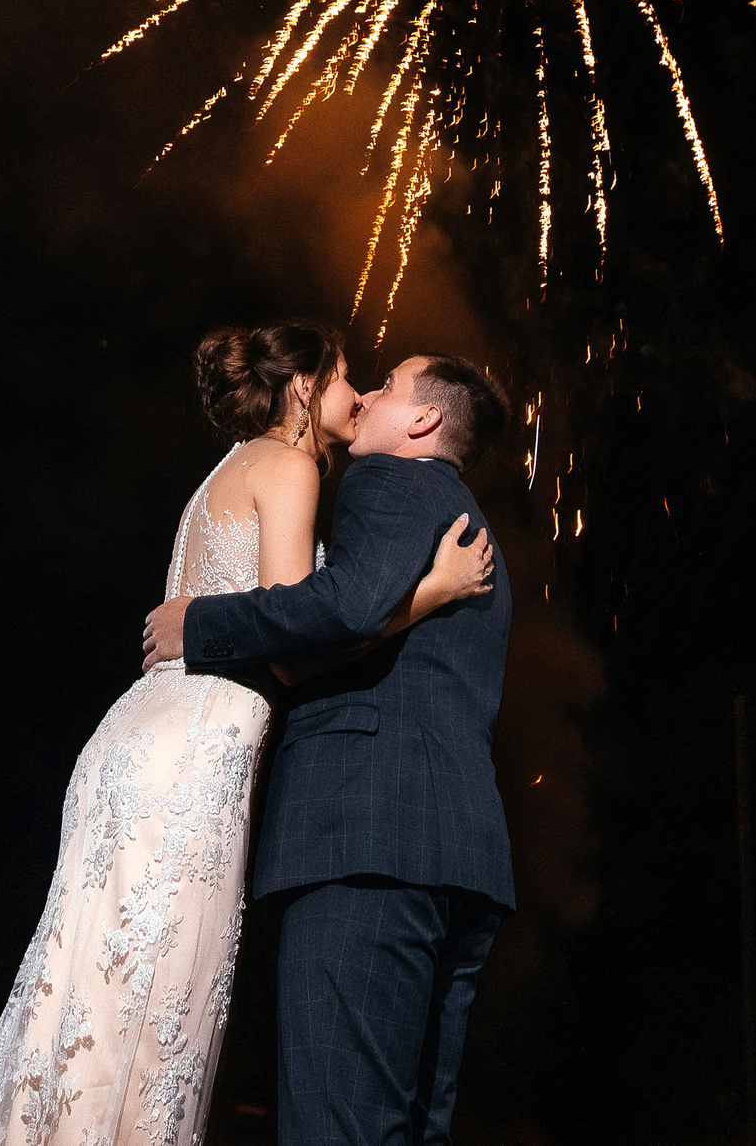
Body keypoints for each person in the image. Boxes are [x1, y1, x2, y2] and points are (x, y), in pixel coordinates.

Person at [0, 322, 495, 1146]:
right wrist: (430, 591)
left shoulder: (227, 469)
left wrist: (200, 622)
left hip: (143, 736)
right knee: (155, 1004)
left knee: (95, 990)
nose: (361, 396)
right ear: (305, 386)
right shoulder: (292, 465)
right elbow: (302, 641)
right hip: (194, 758)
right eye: (352, 378)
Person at [140, 353, 513, 1146]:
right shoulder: (474, 528)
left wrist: (200, 622)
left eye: (388, 386)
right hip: (462, 858)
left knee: (336, 1123)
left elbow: (346, 607)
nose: (368, 395)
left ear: (423, 421)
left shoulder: (387, 481)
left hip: (365, 843)